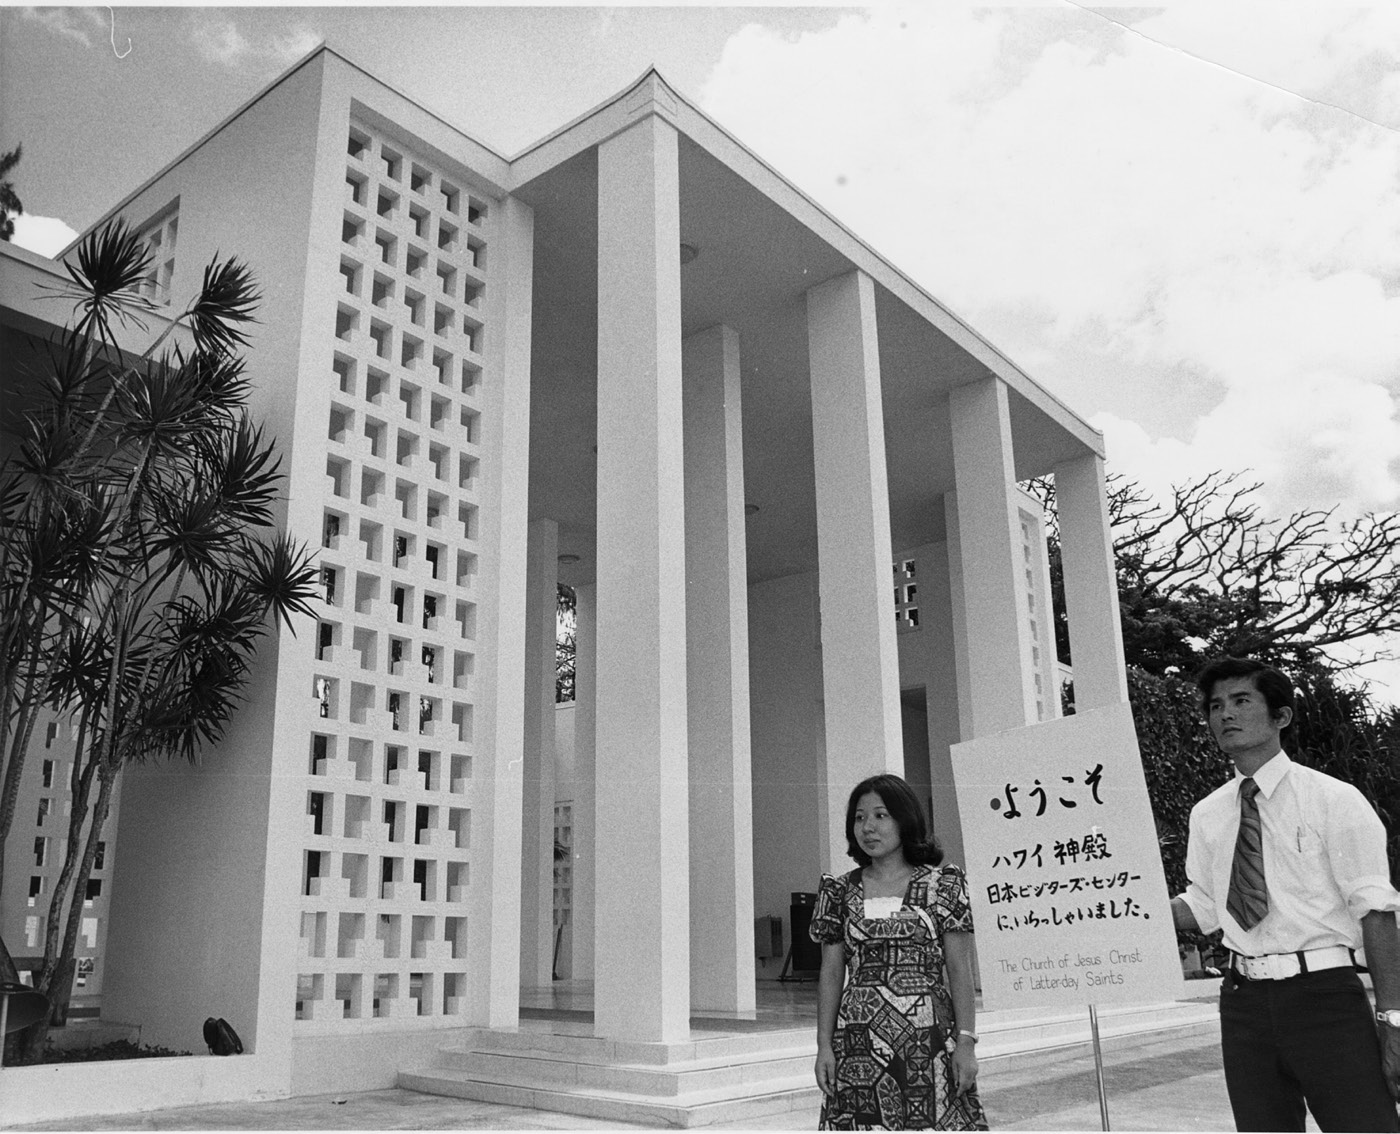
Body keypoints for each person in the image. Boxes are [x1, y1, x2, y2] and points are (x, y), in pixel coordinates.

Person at [1171, 656, 1400, 1132]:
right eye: (1215, 706)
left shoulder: (1334, 799)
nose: (1225, 715)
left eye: (1240, 701)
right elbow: (1205, 905)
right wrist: (1119, 917)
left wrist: (1393, 1017)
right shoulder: (1208, 813)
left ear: (1281, 716)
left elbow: (1376, 912)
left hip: (1324, 996)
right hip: (1242, 1002)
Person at [809, 773, 987, 1130]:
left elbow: (958, 968)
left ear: (904, 820)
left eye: (880, 815)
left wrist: (966, 1041)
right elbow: (831, 973)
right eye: (859, 818)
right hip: (857, 1044)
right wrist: (823, 1046)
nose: (868, 828)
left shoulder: (943, 886)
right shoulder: (840, 891)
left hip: (929, 1042)